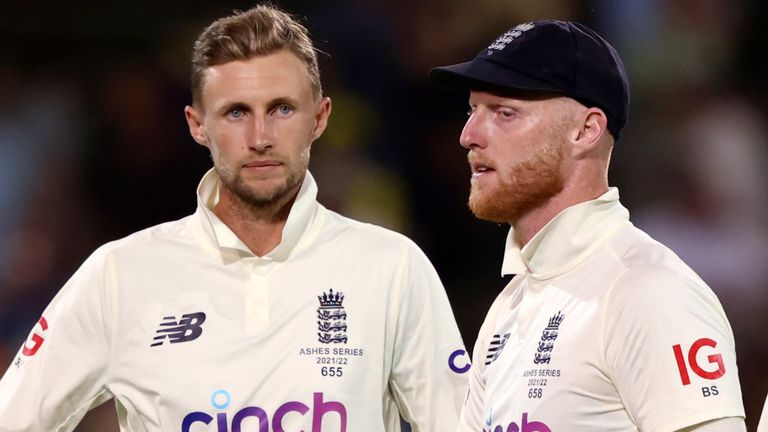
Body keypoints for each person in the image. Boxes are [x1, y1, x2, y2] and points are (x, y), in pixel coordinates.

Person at [0, 5, 468, 431]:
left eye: (282, 109)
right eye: (237, 112)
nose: (260, 136)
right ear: (197, 124)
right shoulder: (119, 274)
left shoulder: (391, 267)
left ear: (320, 117)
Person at [429, 20, 745, 431]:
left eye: (505, 113)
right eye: (472, 110)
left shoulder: (648, 292)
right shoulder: (509, 307)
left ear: (586, 130)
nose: (468, 135)